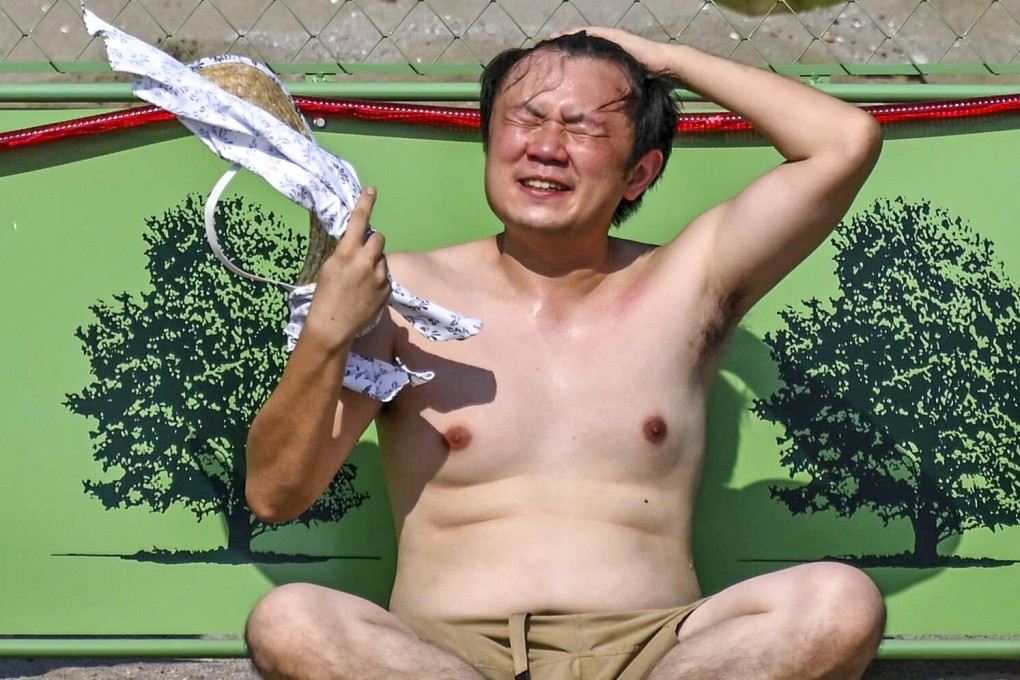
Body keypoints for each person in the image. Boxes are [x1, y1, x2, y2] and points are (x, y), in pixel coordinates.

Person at [243, 26, 885, 680]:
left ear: (640, 171)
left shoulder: (691, 283)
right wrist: (326, 336)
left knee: (840, 602)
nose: (546, 148)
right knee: (288, 619)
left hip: (659, 654)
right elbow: (274, 495)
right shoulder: (400, 293)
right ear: (491, 140)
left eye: (583, 129)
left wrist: (666, 61)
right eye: (525, 119)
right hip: (443, 660)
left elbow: (844, 142)